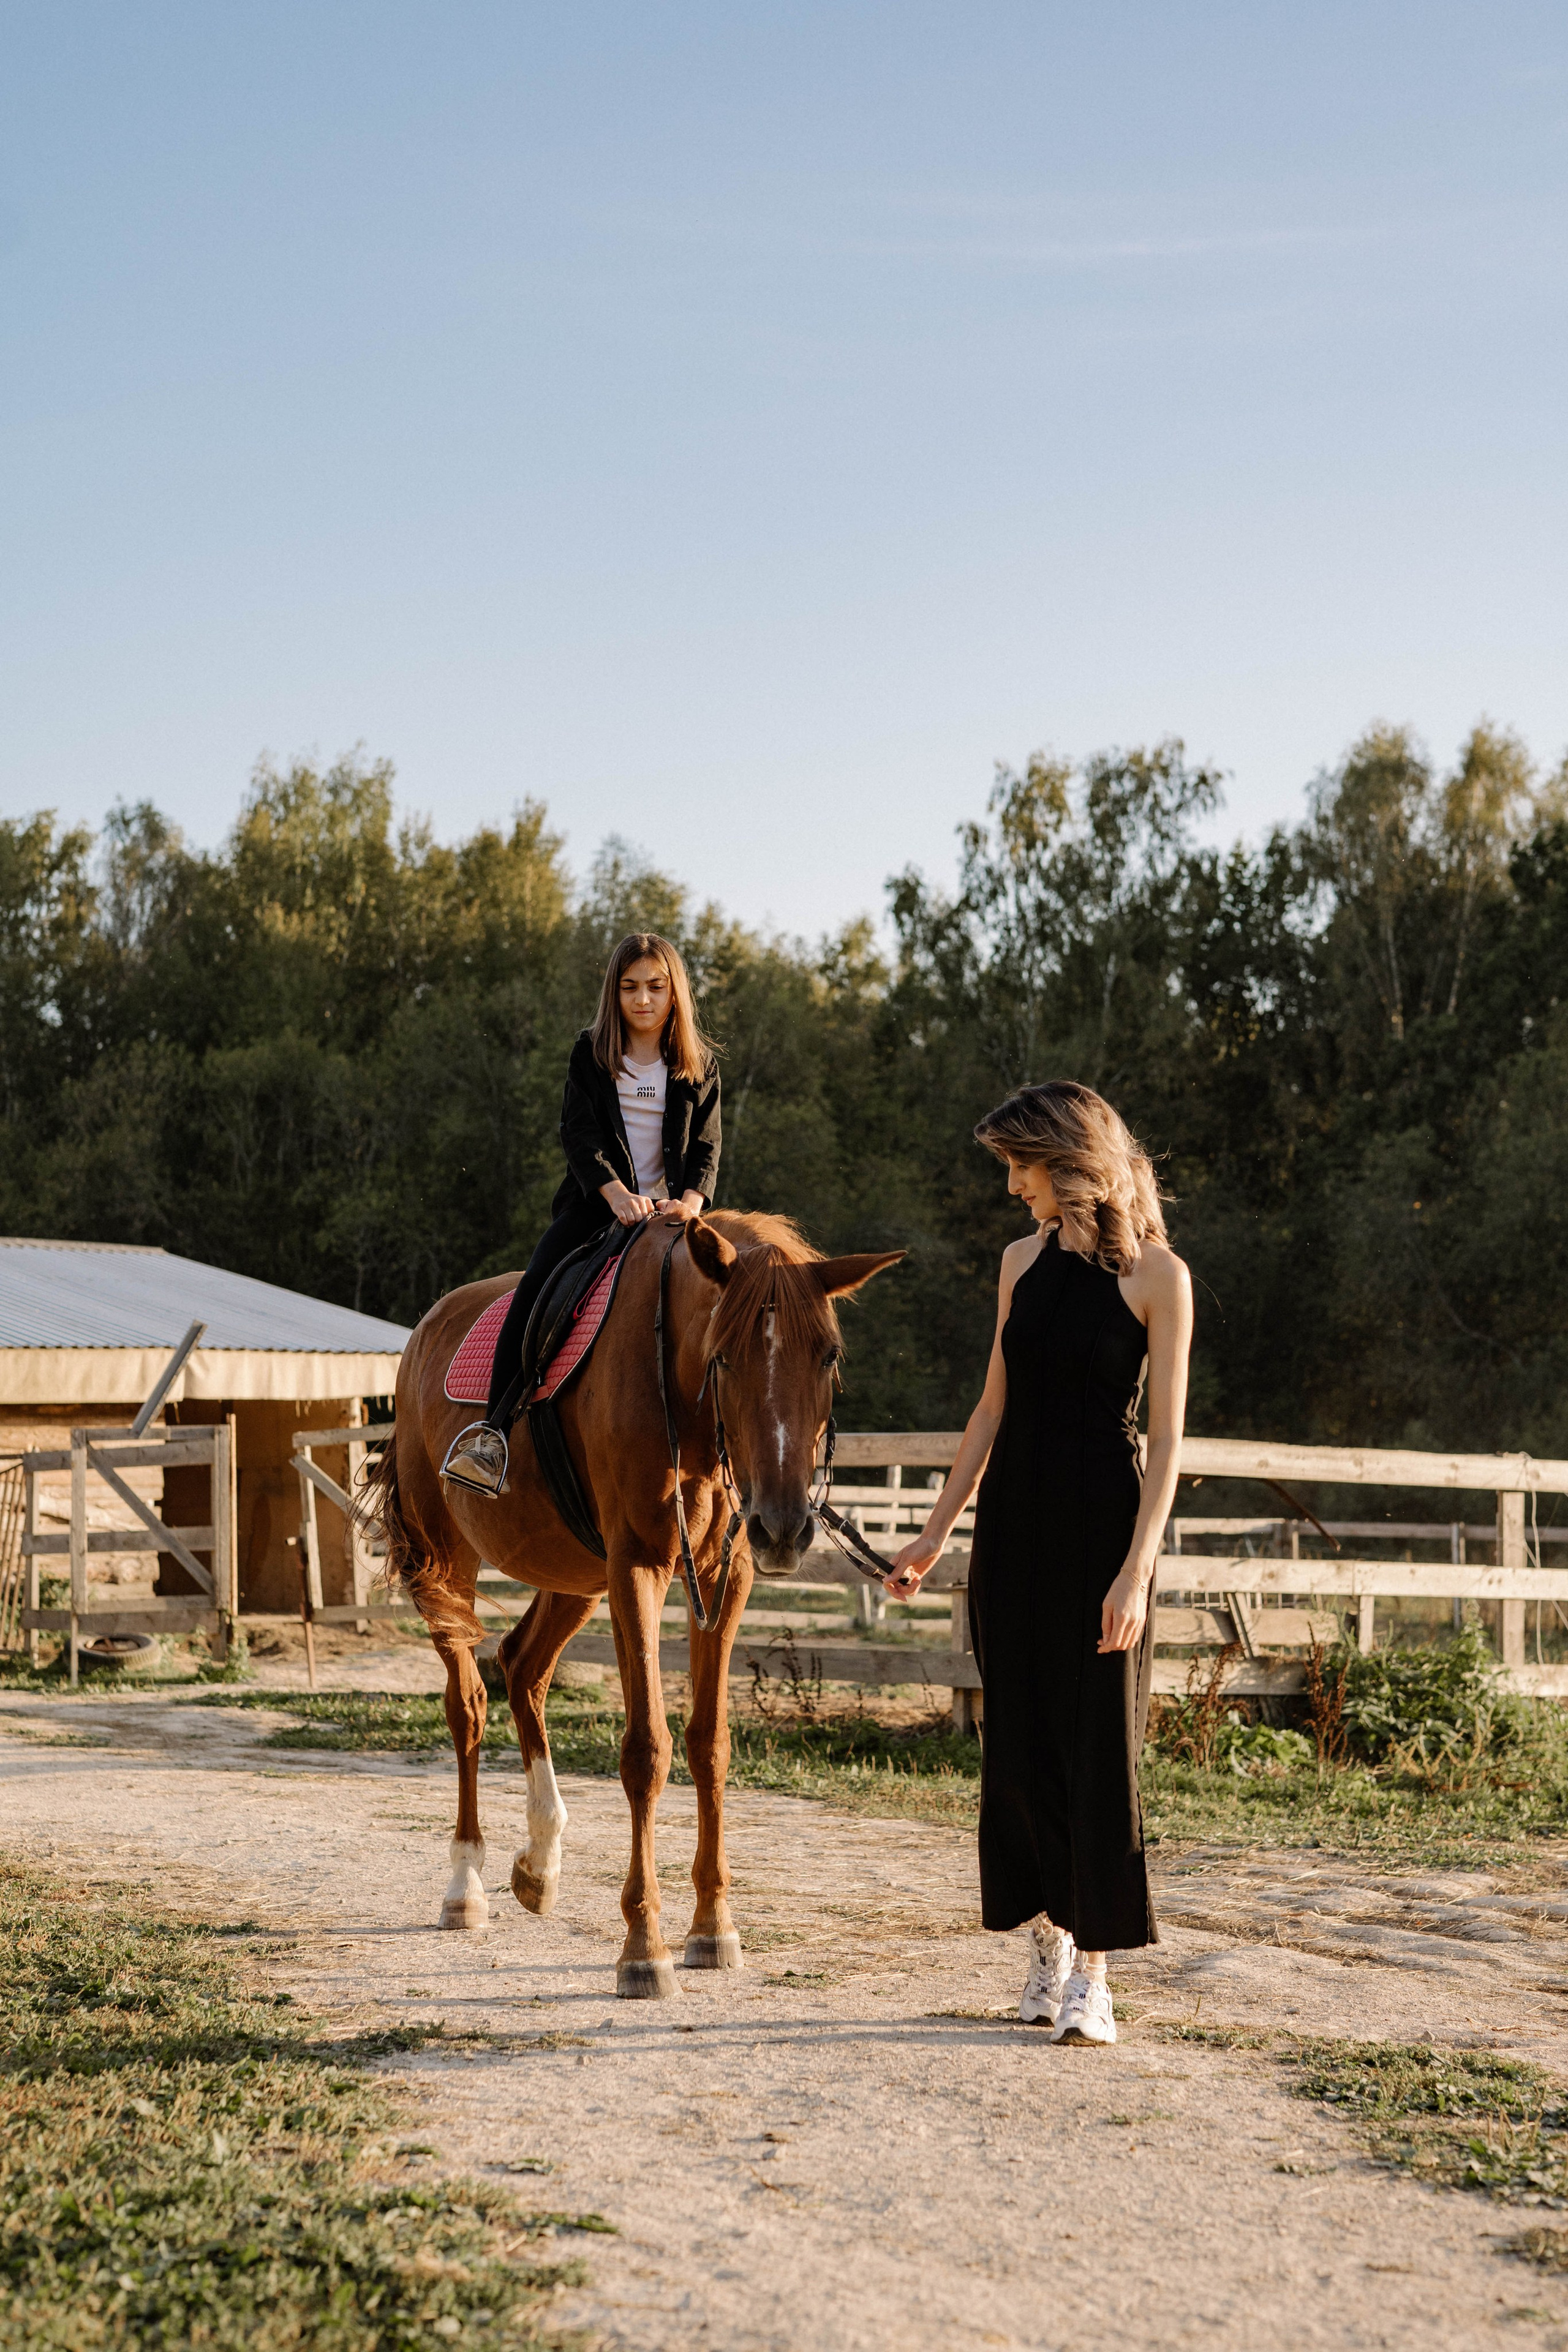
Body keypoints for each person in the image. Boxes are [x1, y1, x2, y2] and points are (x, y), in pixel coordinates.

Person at [889, 1080, 1191, 2046]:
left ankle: (1094, 1977)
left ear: (1065, 1161)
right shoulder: (1019, 1262)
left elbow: (1172, 1444)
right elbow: (990, 1411)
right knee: (1016, 1748)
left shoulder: (1158, 1277)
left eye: (1019, 1165)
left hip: (1104, 1530)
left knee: (1097, 1747)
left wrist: (1137, 1570)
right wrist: (937, 1534)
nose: (1012, 1185)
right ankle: (1048, 1945)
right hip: (1013, 1529)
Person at [442, 933, 722, 1496]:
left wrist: (690, 1206)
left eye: (656, 987)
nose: (643, 999)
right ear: (614, 993)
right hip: (596, 1211)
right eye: (630, 988)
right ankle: (491, 1435)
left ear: (676, 993)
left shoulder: (700, 1065)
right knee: (534, 1292)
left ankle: (732, 1454)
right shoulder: (591, 1054)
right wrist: (615, 1194)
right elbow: (579, 1134)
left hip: (674, 1220)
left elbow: (708, 1150)